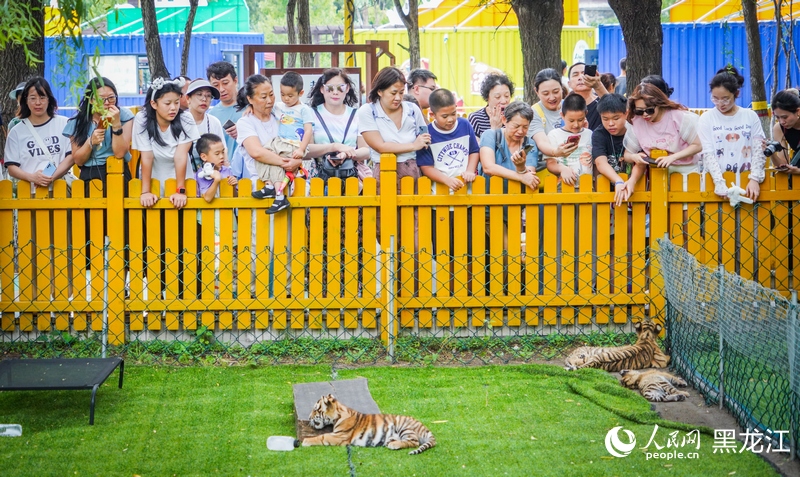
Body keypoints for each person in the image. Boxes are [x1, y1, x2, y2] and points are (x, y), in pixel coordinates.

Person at [358, 67, 429, 196]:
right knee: (385, 213)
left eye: (401, 93)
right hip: (383, 169)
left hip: (413, 168)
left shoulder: (412, 109)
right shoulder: (368, 111)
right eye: (393, 93)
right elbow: (380, 146)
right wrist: (413, 145)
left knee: (414, 215)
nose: (398, 97)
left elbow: (425, 138)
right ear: (380, 91)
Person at [250, 72, 314, 214]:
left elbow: (308, 131)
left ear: (300, 93)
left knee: (278, 163)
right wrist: (251, 107)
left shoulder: (304, 110)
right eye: (282, 94)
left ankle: (279, 195)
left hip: (294, 144)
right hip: (280, 141)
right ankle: (269, 185)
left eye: (290, 95)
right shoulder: (279, 106)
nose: (285, 99)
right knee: (264, 153)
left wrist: (301, 149)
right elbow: (261, 107)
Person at [698, 66, 766, 200]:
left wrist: (755, 179)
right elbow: (707, 153)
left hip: (747, 183)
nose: (720, 104)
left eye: (725, 98)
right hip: (714, 184)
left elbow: (759, 149)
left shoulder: (750, 116)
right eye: (715, 99)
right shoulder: (706, 118)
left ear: (736, 94)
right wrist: (719, 183)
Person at [236, 75, 300, 214]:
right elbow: (256, 152)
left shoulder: (280, 113)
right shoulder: (246, 122)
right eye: (263, 97)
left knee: (291, 233)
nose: (270, 100)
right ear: (250, 99)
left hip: (290, 182)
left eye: (271, 94)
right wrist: (288, 163)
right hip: (261, 184)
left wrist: (298, 159)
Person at [132, 77, 199, 209]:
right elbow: (147, 156)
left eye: (176, 102)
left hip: (182, 179)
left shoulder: (186, 118)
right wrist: (146, 192)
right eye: (167, 103)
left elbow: (180, 156)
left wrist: (180, 190)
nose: (173, 108)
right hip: (154, 179)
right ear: (154, 104)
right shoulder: (142, 119)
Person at [62, 77, 134, 193]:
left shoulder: (124, 115)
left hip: (119, 170)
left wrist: (116, 124)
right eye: (101, 99)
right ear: (90, 100)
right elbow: (78, 160)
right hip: (91, 174)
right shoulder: (77, 122)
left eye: (111, 98)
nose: (107, 103)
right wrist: (90, 142)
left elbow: (120, 153)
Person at [304, 68, 371, 189]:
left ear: (347, 88)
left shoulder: (357, 115)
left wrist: (348, 154)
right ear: (322, 89)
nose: (335, 92)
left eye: (340, 87)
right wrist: (334, 147)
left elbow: (366, 150)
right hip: (320, 178)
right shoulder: (311, 114)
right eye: (330, 88)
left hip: (351, 175)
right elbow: (306, 150)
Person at [3, 77, 73, 192]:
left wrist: (51, 177)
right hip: (29, 192)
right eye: (33, 98)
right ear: (25, 100)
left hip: (60, 190)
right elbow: (11, 167)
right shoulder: (16, 132)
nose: (38, 103)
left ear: (49, 99)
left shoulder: (64, 123)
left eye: (42, 97)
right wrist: (33, 178)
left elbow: (71, 156)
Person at [623, 83, 701, 173]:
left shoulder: (678, 117)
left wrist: (673, 157)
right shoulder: (637, 122)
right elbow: (627, 155)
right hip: (656, 173)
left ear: (658, 104)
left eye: (649, 110)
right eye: (639, 111)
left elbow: (698, 145)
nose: (645, 114)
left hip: (687, 171)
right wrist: (634, 157)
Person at [416, 88, 479, 191]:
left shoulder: (465, 125)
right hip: (440, 194)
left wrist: (470, 170)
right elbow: (426, 167)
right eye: (444, 116)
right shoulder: (427, 134)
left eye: (453, 114)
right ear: (432, 114)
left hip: (466, 191)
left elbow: (474, 151)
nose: (450, 119)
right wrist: (447, 180)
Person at [592, 93, 646, 206]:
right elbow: (600, 162)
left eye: (616, 118)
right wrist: (618, 181)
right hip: (607, 188)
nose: (610, 124)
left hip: (636, 186)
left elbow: (641, 161)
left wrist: (632, 181)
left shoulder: (636, 131)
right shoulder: (599, 134)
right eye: (605, 119)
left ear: (626, 113)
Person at [478, 101, 539, 191]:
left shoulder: (529, 144)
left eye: (525, 127)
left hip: (518, 200)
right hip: (490, 200)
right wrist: (520, 176)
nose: (520, 131)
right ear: (504, 120)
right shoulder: (490, 135)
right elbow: (488, 168)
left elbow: (530, 176)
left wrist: (521, 167)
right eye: (516, 126)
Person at [528, 68, 578, 162]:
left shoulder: (570, 106)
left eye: (556, 92)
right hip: (547, 167)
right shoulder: (534, 113)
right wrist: (556, 152)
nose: (552, 97)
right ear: (536, 91)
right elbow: (541, 141)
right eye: (546, 94)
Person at [544, 93, 594, 186]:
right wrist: (562, 169)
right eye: (571, 121)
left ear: (586, 114)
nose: (576, 125)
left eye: (580, 120)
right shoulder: (554, 135)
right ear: (562, 115)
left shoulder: (589, 134)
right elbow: (550, 163)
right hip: (563, 187)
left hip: (587, 186)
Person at [185, 79, 226, 173]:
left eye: (208, 96)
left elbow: (223, 151)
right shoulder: (179, 122)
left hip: (211, 178)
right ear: (188, 98)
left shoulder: (214, 122)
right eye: (199, 94)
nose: (204, 99)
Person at [207, 61, 242, 156]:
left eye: (225, 83)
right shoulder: (211, 115)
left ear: (235, 81)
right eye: (216, 85)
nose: (221, 89)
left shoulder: (251, 107)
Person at [468, 73, 514, 139]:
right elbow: (476, 148)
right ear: (487, 98)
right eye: (497, 97)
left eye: (507, 96)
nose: (504, 101)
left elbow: (525, 144)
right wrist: (494, 130)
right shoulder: (476, 118)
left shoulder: (515, 117)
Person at [195, 133, 237, 203]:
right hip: (207, 213)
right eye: (217, 154)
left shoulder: (227, 171)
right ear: (204, 157)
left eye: (223, 152)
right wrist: (216, 180)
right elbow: (207, 198)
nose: (221, 156)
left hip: (226, 213)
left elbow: (235, 198)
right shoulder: (201, 174)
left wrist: (233, 186)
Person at [567, 62, 608, 131]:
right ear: (569, 84)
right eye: (575, 75)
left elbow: (615, 109)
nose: (580, 78)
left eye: (584, 74)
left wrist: (598, 85)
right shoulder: (564, 105)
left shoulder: (601, 102)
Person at [769, 89, 800, 174]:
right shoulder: (779, 128)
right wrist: (771, 153)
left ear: (798, 111)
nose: (782, 122)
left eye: (785, 117)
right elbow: (783, 164)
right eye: (778, 117)